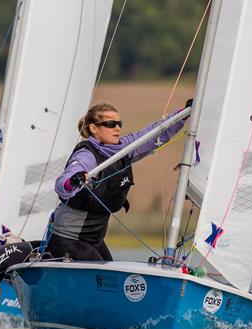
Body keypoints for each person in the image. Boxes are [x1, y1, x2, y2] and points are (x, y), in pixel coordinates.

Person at [49, 100, 190, 261]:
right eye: (110, 124)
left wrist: (183, 114)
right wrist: (73, 180)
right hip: (68, 239)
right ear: (94, 128)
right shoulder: (87, 155)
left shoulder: (123, 149)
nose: (117, 128)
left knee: (109, 275)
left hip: (94, 240)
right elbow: (63, 183)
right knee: (103, 277)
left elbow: (151, 135)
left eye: (119, 123)